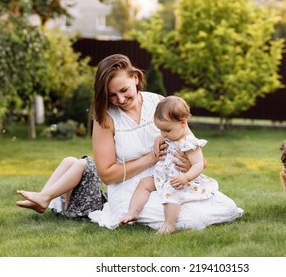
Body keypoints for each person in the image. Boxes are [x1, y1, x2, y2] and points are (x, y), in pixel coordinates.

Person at [88, 53, 243, 230]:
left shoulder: (159, 103)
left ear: (135, 78)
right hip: (132, 188)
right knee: (189, 218)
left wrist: (187, 165)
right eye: (112, 95)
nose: (120, 100)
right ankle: (135, 212)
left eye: (124, 90)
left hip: (169, 177)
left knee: (226, 207)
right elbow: (107, 175)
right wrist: (150, 159)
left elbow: (195, 150)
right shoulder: (105, 119)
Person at [120, 96, 220, 233]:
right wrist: (158, 139)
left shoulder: (189, 143)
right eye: (160, 130)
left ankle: (169, 224)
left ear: (183, 122)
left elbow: (199, 164)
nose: (164, 134)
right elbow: (163, 137)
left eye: (167, 130)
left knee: (171, 194)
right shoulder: (173, 133)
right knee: (144, 183)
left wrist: (185, 178)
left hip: (180, 180)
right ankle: (133, 211)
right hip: (164, 176)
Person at [16, 156, 107, 218]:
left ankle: (44, 198)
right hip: (71, 205)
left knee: (83, 163)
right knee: (69, 160)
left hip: (94, 208)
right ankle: (42, 199)